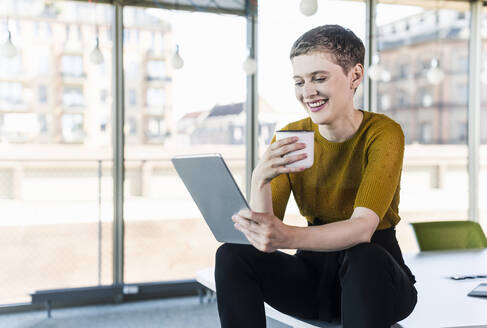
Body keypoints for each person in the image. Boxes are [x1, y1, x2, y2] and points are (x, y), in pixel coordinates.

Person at [215, 25, 417, 328]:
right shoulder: (292, 136)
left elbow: (363, 228)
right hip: (314, 280)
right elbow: (263, 233)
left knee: (363, 256)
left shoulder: (383, 132)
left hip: (377, 280)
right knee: (232, 254)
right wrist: (260, 179)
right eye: (299, 81)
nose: (307, 92)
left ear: (355, 76)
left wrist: (288, 236)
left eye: (319, 78)